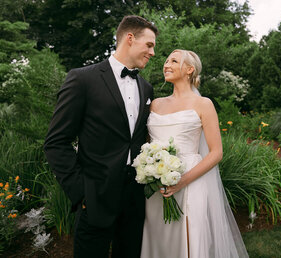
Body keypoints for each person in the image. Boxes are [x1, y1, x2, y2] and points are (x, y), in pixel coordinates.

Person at [43, 15, 158, 257]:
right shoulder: (82, 79)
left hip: (134, 202)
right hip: (94, 199)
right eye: (149, 45)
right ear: (129, 38)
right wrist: (81, 192)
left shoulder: (146, 88)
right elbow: (56, 142)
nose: (153, 52)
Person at [141, 49, 249, 258]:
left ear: (190, 70)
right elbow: (147, 144)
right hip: (156, 185)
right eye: (166, 61)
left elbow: (216, 152)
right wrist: (149, 169)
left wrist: (181, 181)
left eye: (174, 60)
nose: (166, 64)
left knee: (190, 238)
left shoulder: (203, 104)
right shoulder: (156, 104)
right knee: (160, 238)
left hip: (191, 180)